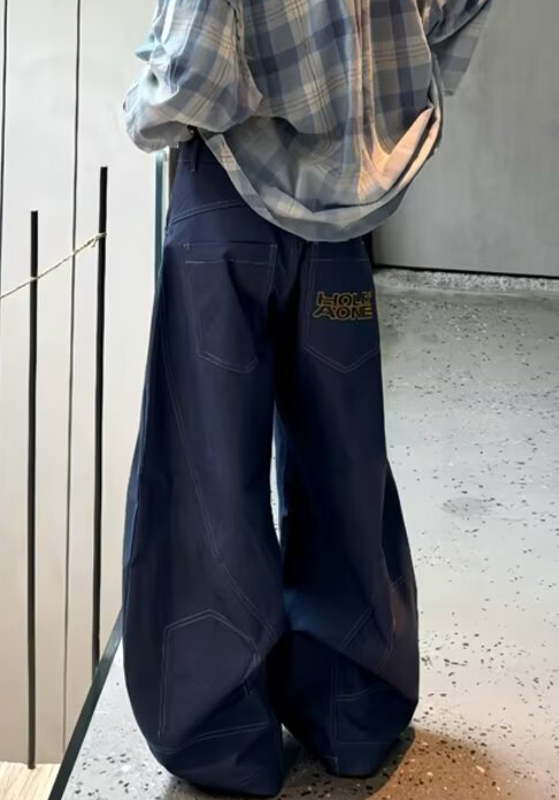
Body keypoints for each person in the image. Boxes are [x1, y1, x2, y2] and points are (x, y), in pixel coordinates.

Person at [121, 0, 492, 795]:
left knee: (207, 473)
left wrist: (141, 114)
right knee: (343, 458)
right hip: (344, 217)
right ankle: (354, 714)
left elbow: (193, 73)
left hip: (227, 206)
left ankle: (223, 739)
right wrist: (391, 103)